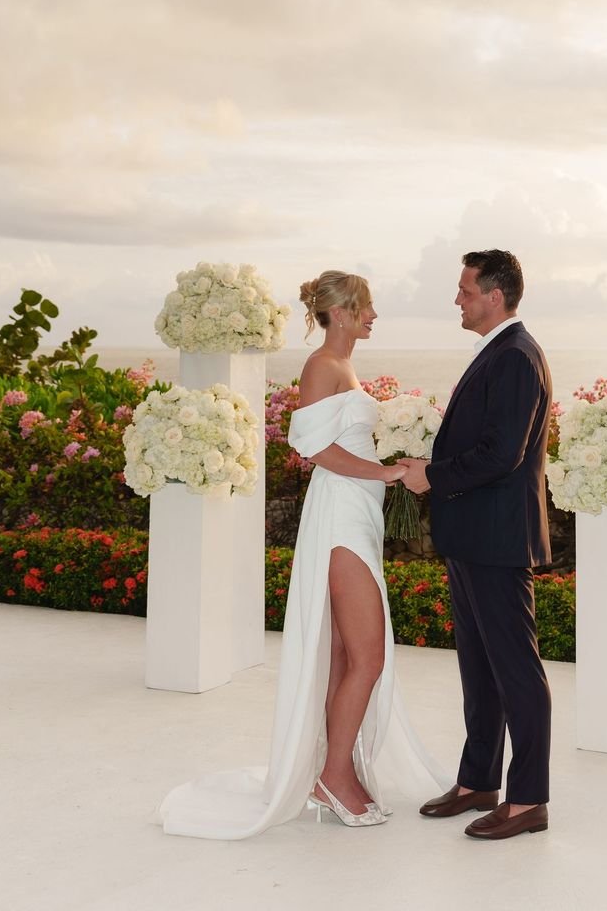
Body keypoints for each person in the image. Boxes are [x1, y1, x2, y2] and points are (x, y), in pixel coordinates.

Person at [159, 271, 450, 839]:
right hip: (341, 515)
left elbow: (341, 438)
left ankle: (331, 771)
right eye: (366, 306)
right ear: (339, 312)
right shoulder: (323, 366)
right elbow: (314, 448)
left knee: (345, 655)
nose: (373, 316)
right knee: (368, 656)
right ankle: (333, 777)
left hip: (356, 512)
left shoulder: (344, 368)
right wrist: (388, 470)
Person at [400, 250, 554, 841]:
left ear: (495, 294)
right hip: (473, 536)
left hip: (496, 538)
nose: (458, 300)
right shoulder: (502, 352)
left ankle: (529, 800)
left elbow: (502, 454)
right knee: (479, 668)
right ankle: (478, 781)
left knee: (516, 671)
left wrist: (432, 476)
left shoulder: (516, 357)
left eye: (465, 290)